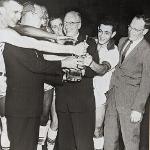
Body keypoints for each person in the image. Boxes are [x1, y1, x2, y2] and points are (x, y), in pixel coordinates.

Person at [0, 1, 86, 150]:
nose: (18, 16)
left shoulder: (18, 34)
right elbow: (35, 62)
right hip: (18, 103)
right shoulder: (8, 32)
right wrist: (67, 57)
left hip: (30, 104)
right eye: (15, 12)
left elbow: (38, 45)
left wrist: (62, 45)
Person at [54, 10, 99, 150]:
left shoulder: (88, 42)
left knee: (83, 144)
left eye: (71, 22)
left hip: (82, 103)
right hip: (62, 102)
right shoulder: (58, 43)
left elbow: (93, 70)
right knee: (65, 144)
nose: (67, 25)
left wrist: (79, 70)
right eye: (65, 22)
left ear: (79, 25)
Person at [104, 14, 150, 150]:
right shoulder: (122, 41)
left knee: (130, 142)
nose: (131, 31)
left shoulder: (147, 51)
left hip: (131, 104)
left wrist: (138, 108)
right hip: (113, 98)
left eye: (136, 29)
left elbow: (147, 82)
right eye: (130, 27)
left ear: (145, 31)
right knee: (109, 141)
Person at [92, 16, 119, 150]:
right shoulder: (92, 42)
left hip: (99, 96)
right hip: (84, 91)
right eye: (100, 31)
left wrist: (89, 62)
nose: (102, 35)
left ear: (113, 34)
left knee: (97, 129)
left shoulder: (113, 51)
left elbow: (102, 70)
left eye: (107, 32)